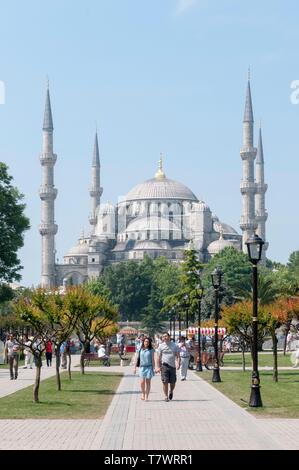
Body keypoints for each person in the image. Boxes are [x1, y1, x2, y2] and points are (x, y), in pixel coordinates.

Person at [156, 332, 180, 402]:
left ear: (169, 337)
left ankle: (171, 391)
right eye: (163, 337)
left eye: (166, 336)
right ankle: (166, 396)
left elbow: (177, 356)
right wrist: (158, 367)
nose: (165, 338)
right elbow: (158, 357)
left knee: (173, 382)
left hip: (172, 366)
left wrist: (178, 363)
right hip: (164, 366)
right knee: (165, 381)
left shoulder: (174, 345)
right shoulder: (160, 346)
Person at [134, 337, 155, 401]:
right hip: (142, 367)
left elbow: (152, 359)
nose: (146, 343)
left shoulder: (151, 350)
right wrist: (134, 368)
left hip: (149, 367)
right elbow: (136, 358)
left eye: (148, 342)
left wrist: (154, 368)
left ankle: (146, 396)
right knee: (142, 382)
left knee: (148, 382)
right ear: (143, 342)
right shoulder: (140, 349)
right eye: (145, 341)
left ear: (149, 343)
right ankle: (143, 393)